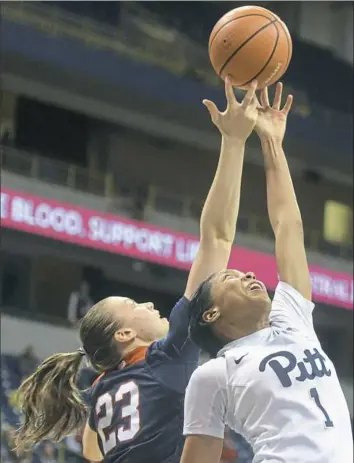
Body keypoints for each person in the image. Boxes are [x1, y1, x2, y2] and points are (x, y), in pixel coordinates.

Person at [14, 77, 259, 463]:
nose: (147, 302)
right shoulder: (167, 356)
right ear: (126, 334)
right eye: (133, 302)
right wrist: (235, 141)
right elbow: (216, 239)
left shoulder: (100, 394)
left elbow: (95, 453)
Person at [181, 83, 353, 463]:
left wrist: (272, 143)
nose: (247, 275)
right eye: (231, 278)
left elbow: (289, 227)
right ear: (211, 313)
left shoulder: (291, 319)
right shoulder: (213, 375)